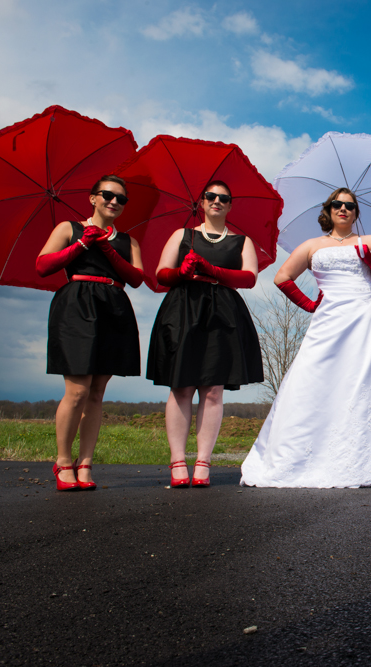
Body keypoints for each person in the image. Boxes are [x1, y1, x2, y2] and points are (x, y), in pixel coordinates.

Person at [240, 188, 371, 488]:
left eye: (350, 205)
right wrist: (310, 305)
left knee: (367, 385)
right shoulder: (311, 245)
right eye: (338, 204)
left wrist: (369, 260)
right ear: (328, 210)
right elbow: (282, 277)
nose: (344, 209)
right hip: (328, 322)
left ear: (356, 213)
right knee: (316, 381)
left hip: (366, 320)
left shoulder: (370, 242)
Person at [147, 181, 264, 489]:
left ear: (229, 205)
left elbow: (249, 277)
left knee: (213, 390)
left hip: (223, 314)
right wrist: (180, 274)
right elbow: (161, 273)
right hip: (184, 310)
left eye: (223, 198)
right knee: (181, 387)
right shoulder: (182, 235)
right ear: (201, 202)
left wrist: (211, 270)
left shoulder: (242, 241)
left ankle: (203, 461)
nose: (216, 201)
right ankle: (177, 460)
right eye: (211, 196)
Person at [36, 175, 144, 491]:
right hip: (76, 305)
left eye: (121, 198)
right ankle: (63, 461)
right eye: (108, 195)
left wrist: (108, 250)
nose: (114, 201)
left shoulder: (128, 241)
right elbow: (43, 266)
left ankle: (86, 463)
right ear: (92, 197)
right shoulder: (69, 228)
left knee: (97, 391)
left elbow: (137, 278)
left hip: (114, 307)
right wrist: (83, 243)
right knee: (78, 389)